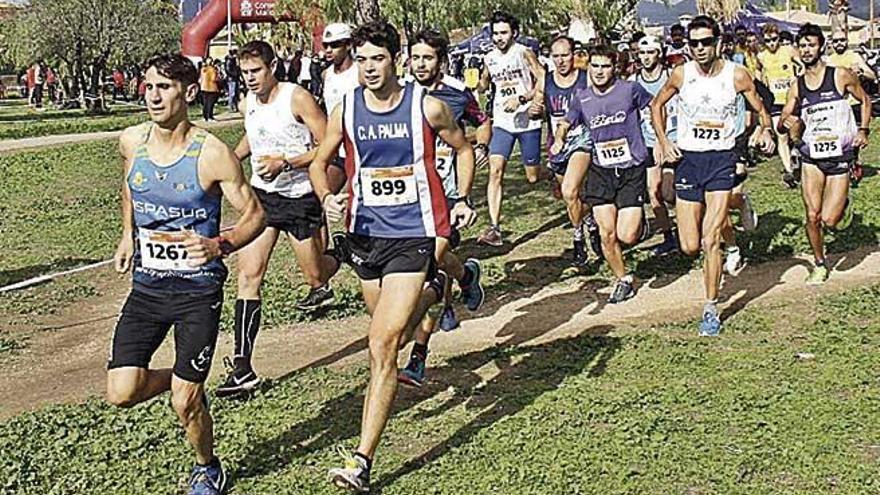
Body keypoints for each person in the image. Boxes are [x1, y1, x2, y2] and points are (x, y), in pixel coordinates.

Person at [309, 21, 476, 491]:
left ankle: (361, 461)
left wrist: (462, 197)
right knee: (394, 334)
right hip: (365, 236)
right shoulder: (346, 110)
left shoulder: (426, 107)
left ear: (395, 60)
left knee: (381, 345)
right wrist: (326, 198)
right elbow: (322, 163)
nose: (368, 68)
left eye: (376, 59)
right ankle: (436, 289)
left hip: (414, 234)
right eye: (360, 60)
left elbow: (464, 149)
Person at [107, 52, 265, 495]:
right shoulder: (131, 141)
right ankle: (184, 382)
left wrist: (220, 245)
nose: (153, 96)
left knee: (185, 401)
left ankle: (207, 466)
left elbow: (255, 215)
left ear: (190, 92)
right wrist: (127, 235)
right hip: (148, 286)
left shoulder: (211, 153)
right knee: (122, 391)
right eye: (149, 86)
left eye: (164, 87)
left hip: (197, 290)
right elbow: (129, 185)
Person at [215, 40, 342, 398]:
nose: (250, 79)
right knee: (248, 276)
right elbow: (254, 137)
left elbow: (328, 144)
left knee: (316, 276)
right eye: (244, 73)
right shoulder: (248, 103)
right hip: (263, 199)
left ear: (273, 67)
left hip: (300, 197)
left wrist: (286, 163)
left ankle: (343, 253)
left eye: (256, 71)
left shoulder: (296, 97)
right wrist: (228, 159)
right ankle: (242, 367)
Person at [651, 15, 775, 336]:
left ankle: (710, 308)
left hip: (721, 160)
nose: (701, 48)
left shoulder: (736, 75)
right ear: (688, 46)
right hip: (688, 161)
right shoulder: (681, 73)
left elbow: (762, 109)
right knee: (690, 245)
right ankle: (737, 207)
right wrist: (665, 142)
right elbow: (656, 106)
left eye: (707, 42)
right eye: (695, 43)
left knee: (709, 240)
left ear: (717, 43)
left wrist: (765, 130)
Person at [397, 28, 488, 388]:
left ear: (441, 60)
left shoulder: (456, 95)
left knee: (427, 265)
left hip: (447, 194)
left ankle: (417, 357)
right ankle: (466, 277)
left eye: (428, 58)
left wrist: (479, 145)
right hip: (410, 196)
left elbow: (481, 123)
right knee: (438, 264)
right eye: (416, 57)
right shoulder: (399, 97)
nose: (421, 64)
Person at [551, 44, 653, 304]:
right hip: (601, 169)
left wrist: (660, 140)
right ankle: (623, 279)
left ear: (614, 68)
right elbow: (565, 121)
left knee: (626, 235)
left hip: (631, 168)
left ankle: (640, 224)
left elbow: (655, 108)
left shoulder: (630, 90)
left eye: (605, 66)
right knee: (607, 233)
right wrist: (559, 138)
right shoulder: (582, 98)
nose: (599, 71)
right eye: (594, 66)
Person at [778, 23, 870, 284]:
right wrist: (789, 122)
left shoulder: (840, 75)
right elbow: (784, 116)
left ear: (821, 46)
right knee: (812, 215)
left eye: (811, 45)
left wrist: (863, 130)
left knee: (830, 219)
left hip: (840, 155)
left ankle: (843, 208)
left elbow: (863, 99)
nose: (807, 50)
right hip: (811, 158)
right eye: (802, 46)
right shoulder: (797, 86)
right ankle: (819, 263)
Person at [477, 10, 546, 247]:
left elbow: (542, 77)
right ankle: (494, 228)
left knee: (533, 177)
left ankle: (557, 174)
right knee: (495, 171)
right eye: (495, 33)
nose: (499, 38)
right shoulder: (489, 57)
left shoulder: (523, 53)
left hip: (527, 120)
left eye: (503, 33)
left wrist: (525, 99)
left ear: (514, 33)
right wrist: (480, 83)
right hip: (503, 121)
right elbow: (485, 82)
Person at [535, 35, 598, 266]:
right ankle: (590, 221)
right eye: (556, 56)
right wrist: (533, 107)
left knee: (570, 190)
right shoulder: (546, 80)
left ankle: (578, 237)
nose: (561, 61)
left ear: (574, 55)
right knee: (572, 196)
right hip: (557, 144)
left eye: (565, 55)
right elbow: (538, 104)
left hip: (582, 140)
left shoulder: (585, 78)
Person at [632, 34, 679, 256]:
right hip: (647, 141)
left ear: (659, 54)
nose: (646, 57)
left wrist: (664, 140)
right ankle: (669, 236)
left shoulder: (671, 76)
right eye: (642, 53)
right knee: (654, 192)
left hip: (673, 138)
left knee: (669, 192)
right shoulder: (634, 81)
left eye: (650, 52)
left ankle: (690, 224)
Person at [827, 28, 876, 185]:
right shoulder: (828, 60)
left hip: (853, 105)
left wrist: (861, 72)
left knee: (852, 141)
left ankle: (852, 164)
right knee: (838, 139)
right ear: (831, 43)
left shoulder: (854, 56)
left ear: (847, 41)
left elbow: (872, 75)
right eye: (836, 41)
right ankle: (842, 168)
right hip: (835, 107)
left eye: (842, 40)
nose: (839, 43)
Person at [756, 23, 798, 188]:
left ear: (779, 38)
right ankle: (789, 171)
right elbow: (758, 71)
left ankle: (796, 154)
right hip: (774, 102)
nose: (772, 44)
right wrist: (761, 85)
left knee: (796, 132)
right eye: (768, 41)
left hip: (792, 100)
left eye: (774, 40)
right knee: (781, 136)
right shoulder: (762, 56)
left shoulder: (788, 51)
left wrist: (798, 78)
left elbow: (801, 64)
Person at [322, 22, 361, 194]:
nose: (329, 50)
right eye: (326, 45)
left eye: (335, 45)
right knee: (324, 196)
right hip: (335, 147)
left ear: (348, 45)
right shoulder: (326, 74)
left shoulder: (360, 73)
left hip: (358, 146)